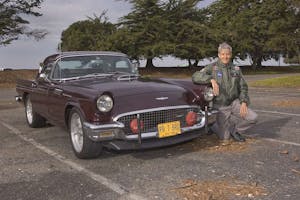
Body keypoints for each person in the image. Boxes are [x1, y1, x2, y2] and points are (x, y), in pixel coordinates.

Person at [192, 42, 257, 142]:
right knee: (225, 138)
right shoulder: (212, 67)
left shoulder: (236, 69)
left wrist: (244, 102)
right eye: (223, 54)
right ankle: (213, 126)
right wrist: (211, 80)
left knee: (253, 117)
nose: (225, 56)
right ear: (219, 55)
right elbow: (195, 76)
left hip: (234, 103)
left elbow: (243, 87)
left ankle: (236, 131)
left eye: (227, 54)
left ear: (230, 55)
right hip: (220, 106)